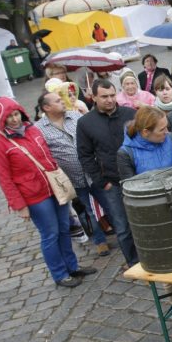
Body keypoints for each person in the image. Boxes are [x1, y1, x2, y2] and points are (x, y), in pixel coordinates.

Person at [0, 96, 96, 288]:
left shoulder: (32, 130)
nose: (14, 119)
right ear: (0, 119)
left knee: (64, 229)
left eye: (16, 114)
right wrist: (19, 205)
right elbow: (4, 178)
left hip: (54, 188)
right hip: (33, 195)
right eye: (9, 117)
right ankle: (60, 274)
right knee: (50, 234)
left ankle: (72, 266)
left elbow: (48, 157)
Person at [116, 106, 172, 339]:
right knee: (167, 268)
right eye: (161, 130)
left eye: (167, 127)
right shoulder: (126, 153)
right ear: (145, 132)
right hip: (154, 220)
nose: (166, 132)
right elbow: (131, 191)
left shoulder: (171, 139)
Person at [36, 91, 110, 258]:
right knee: (89, 210)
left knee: (110, 204)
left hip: (94, 172)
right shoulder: (39, 129)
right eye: (57, 100)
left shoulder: (75, 117)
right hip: (73, 178)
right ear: (46, 107)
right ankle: (100, 240)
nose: (63, 101)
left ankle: (124, 233)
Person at [76, 79, 138, 266]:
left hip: (138, 177)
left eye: (112, 95)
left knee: (144, 222)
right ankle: (133, 263)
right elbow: (85, 155)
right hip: (112, 182)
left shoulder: (130, 114)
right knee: (122, 226)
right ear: (93, 97)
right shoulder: (86, 123)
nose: (110, 100)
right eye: (104, 97)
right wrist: (101, 181)